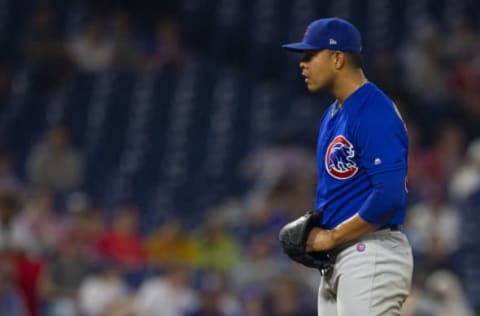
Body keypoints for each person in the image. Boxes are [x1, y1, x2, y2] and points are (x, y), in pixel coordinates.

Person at [282, 18, 413, 315]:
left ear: (338, 58)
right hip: (341, 258)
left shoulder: (372, 109)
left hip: (371, 252)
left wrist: (331, 235)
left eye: (310, 55)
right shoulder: (333, 114)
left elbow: (390, 195)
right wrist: (321, 230)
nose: (303, 64)